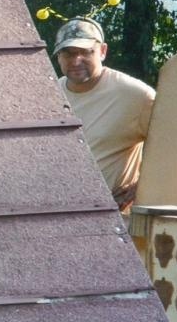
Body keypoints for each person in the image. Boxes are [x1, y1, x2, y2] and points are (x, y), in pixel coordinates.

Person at [55, 16, 155, 210]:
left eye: (85, 52)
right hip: (57, 214)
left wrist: (142, 186)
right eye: (68, 53)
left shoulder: (136, 95)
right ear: (58, 57)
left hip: (110, 217)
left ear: (102, 51)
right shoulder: (48, 94)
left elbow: (176, 146)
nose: (76, 61)